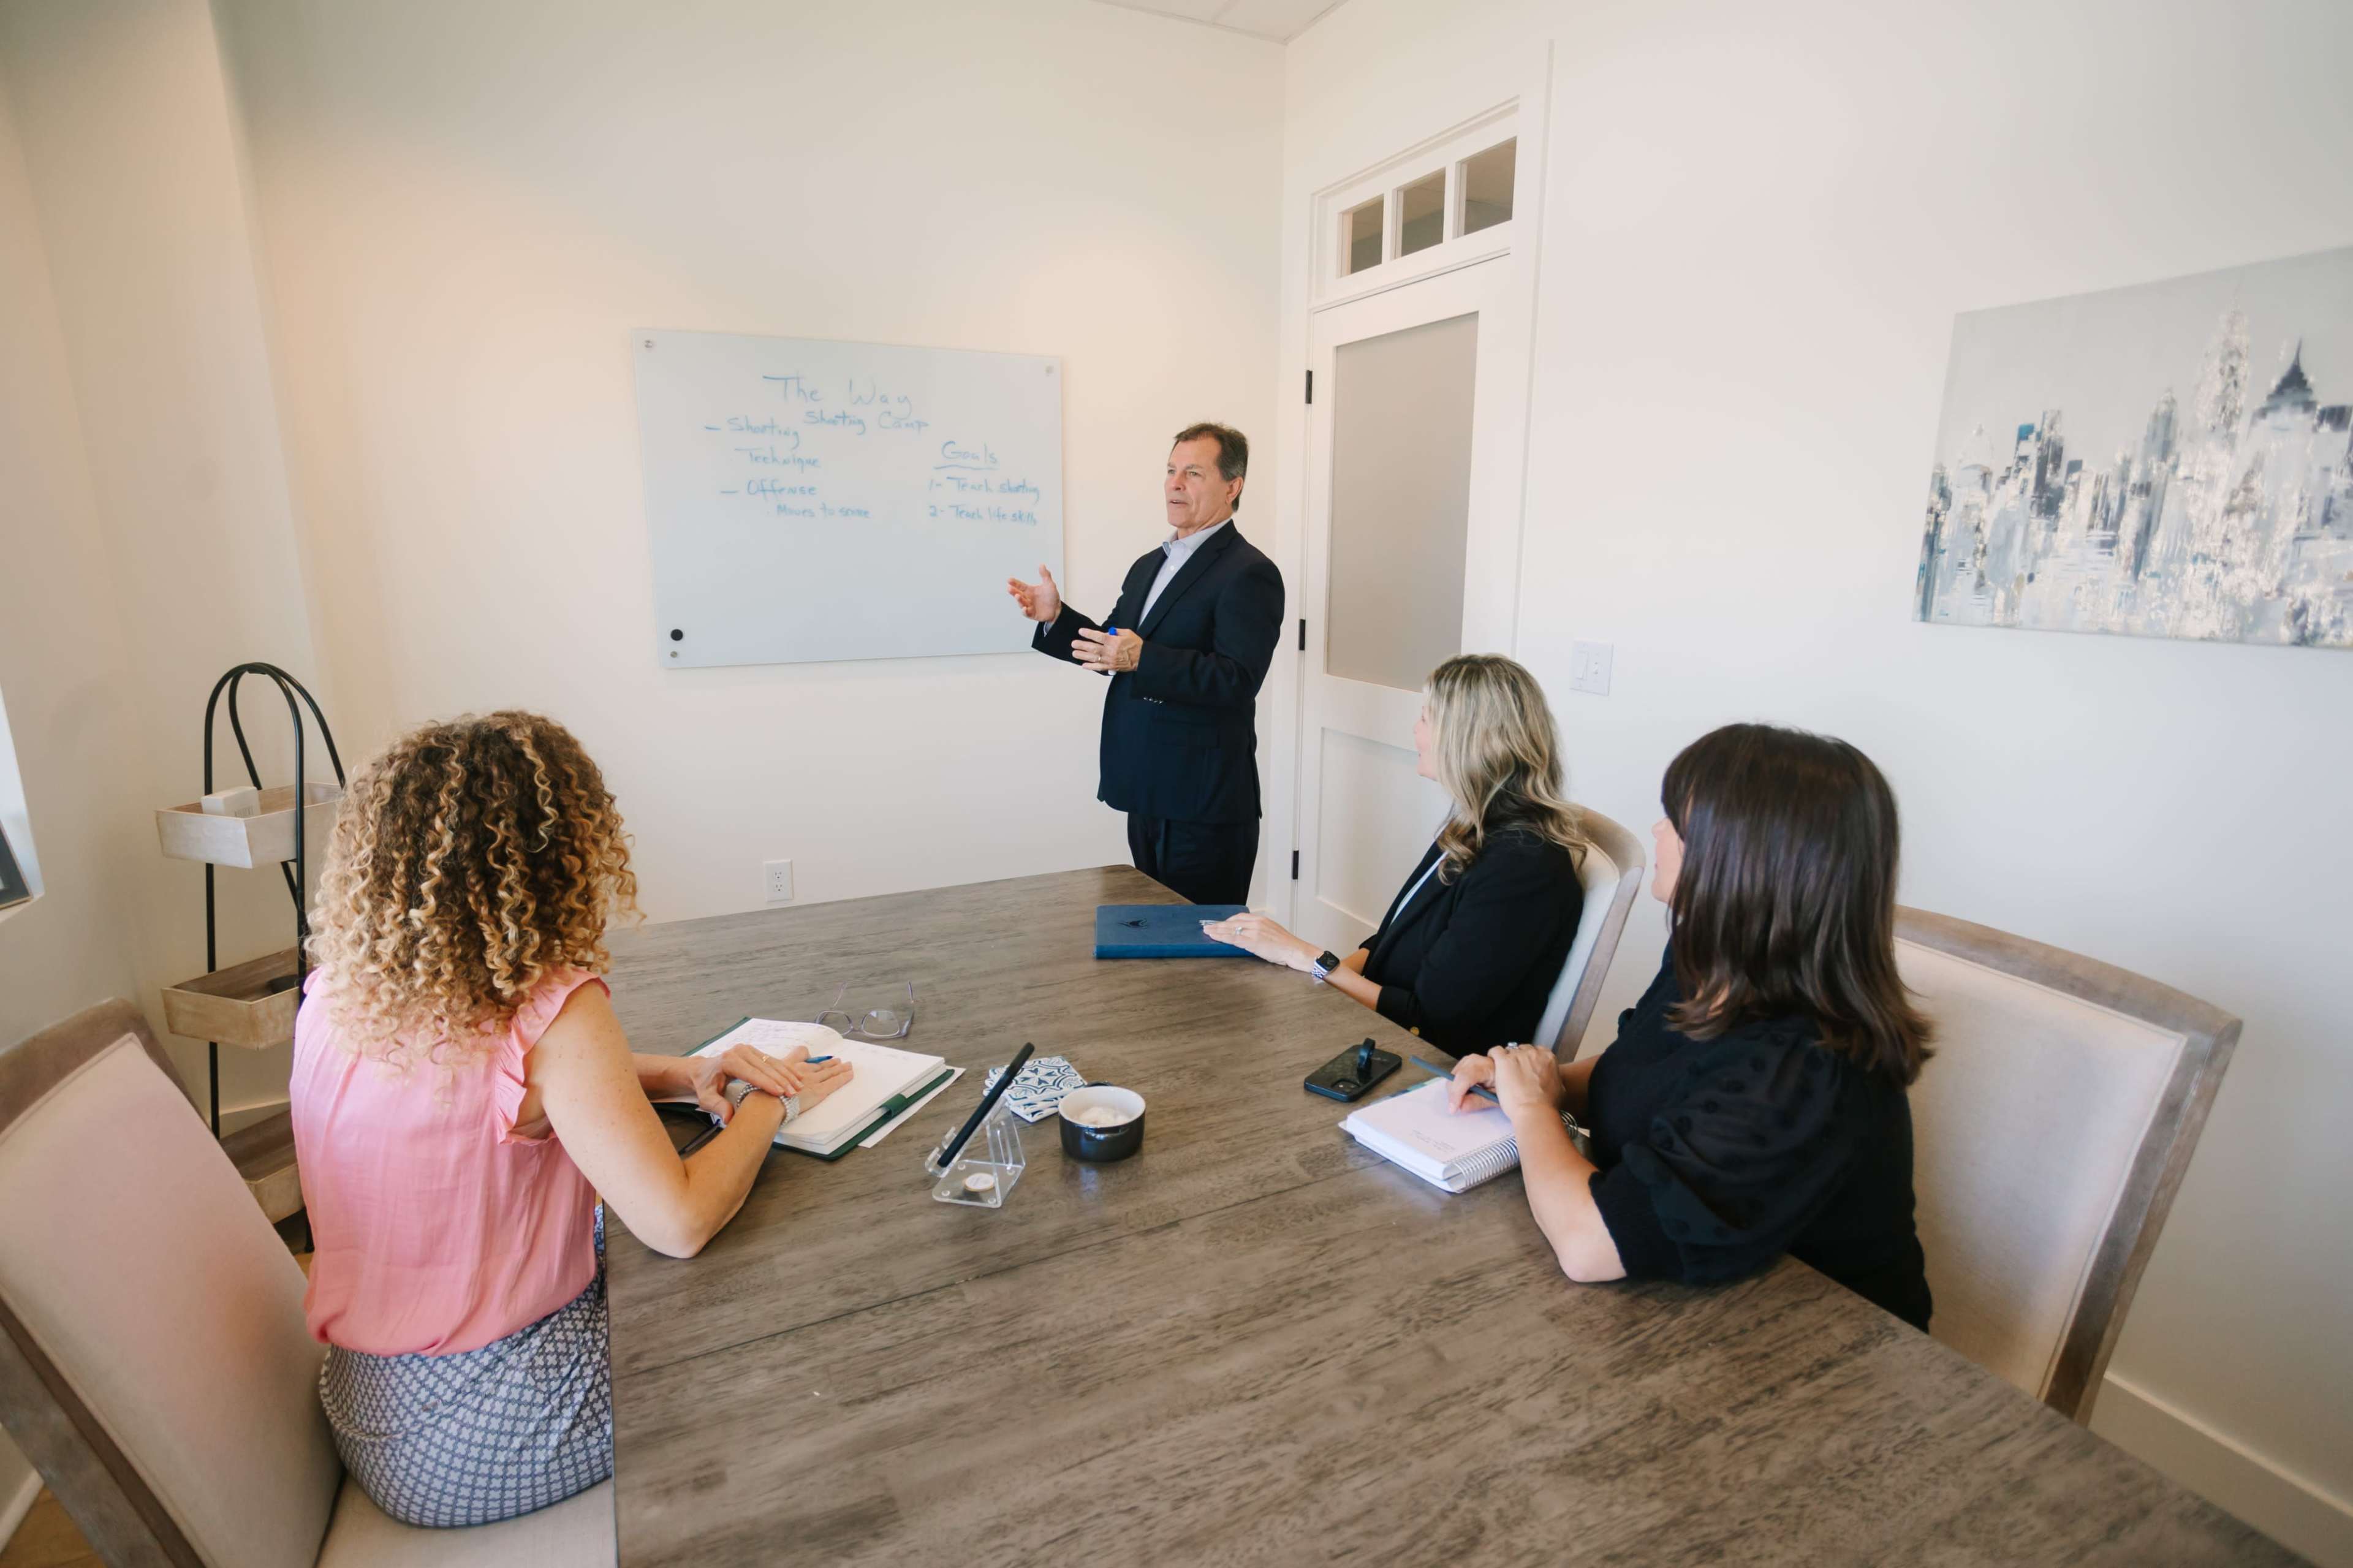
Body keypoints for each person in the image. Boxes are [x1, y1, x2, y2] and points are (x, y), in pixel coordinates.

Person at [289, 711, 852, 1528]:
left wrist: (683, 1071)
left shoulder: (339, 991)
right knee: (762, 1322)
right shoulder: (554, 1009)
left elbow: (490, 1090)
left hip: (367, 1405)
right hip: (482, 1429)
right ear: (553, 854)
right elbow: (681, 1220)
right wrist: (774, 1098)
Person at [1450, 722, 1934, 1330]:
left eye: (1677, 823)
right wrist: (1535, 1080)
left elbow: (1589, 1245)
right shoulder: (1710, 961)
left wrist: (1531, 1112)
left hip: (1819, 1351)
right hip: (1700, 1309)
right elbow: (1646, 1071)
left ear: (1744, 861)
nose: (1658, 831)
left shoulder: (1809, 1064)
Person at [1202, 654, 1586, 1057]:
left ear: (1467, 738)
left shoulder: (1523, 870)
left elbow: (1428, 1021)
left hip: (1430, 1069)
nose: (1416, 730)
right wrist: (1313, 977)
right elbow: (1386, 942)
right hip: (1380, 1033)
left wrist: (1308, 957)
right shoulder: (1474, 828)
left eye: (1426, 718)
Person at [1007, 422, 1284, 905]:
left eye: (1193, 473)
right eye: (1171, 471)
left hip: (1204, 802)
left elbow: (1238, 679)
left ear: (1232, 486)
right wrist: (1056, 618)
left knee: (1199, 954)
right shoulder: (1147, 565)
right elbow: (1111, 646)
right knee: (1154, 945)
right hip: (1147, 789)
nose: (1175, 483)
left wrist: (1144, 657)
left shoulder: (1250, 572)